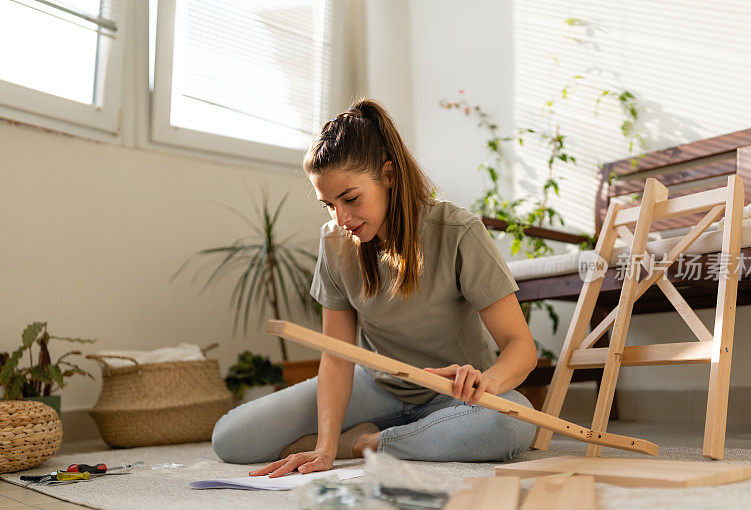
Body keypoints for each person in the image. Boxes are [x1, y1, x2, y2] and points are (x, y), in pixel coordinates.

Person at [211, 98, 538, 478]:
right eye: (328, 205)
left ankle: (370, 443)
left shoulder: (458, 231)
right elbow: (337, 356)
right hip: (374, 386)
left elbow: (521, 347)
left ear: (389, 174)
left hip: (453, 398)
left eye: (350, 198)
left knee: (513, 422)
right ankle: (402, 437)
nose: (341, 217)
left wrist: (489, 380)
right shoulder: (334, 242)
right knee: (232, 438)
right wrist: (325, 446)